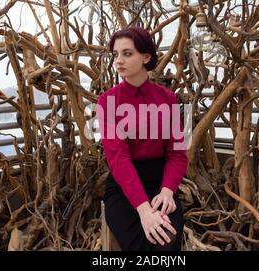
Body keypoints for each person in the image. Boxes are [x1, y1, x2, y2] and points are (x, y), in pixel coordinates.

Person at [96, 27, 188, 251]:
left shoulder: (168, 99)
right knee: (143, 245)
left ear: (146, 57)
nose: (118, 60)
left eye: (127, 54)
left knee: (167, 242)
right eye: (116, 54)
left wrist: (167, 191)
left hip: (161, 185)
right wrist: (144, 211)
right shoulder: (107, 101)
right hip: (124, 187)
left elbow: (178, 153)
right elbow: (118, 159)